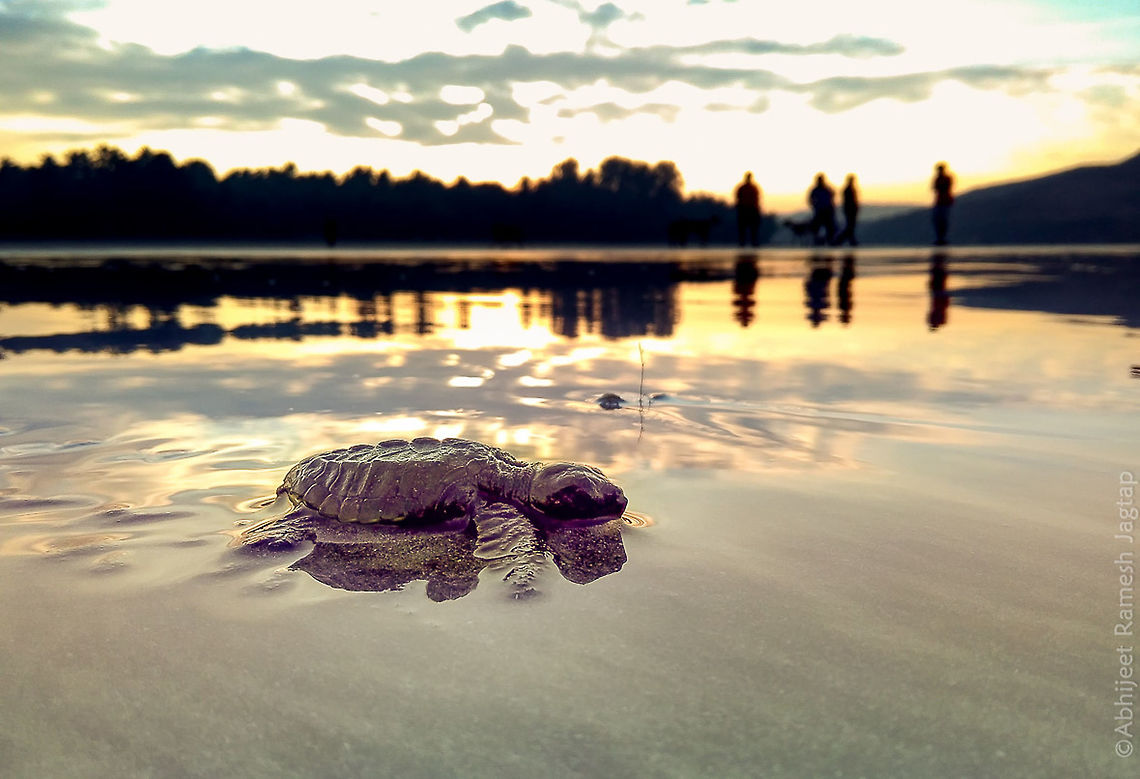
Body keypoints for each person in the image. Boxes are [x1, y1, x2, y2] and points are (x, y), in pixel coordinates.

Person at [808, 174, 836, 246]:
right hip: (820, 211)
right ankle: (818, 240)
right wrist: (815, 206)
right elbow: (810, 199)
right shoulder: (815, 190)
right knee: (817, 227)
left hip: (827, 211)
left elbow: (832, 197)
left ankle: (829, 240)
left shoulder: (827, 189)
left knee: (829, 227)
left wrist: (831, 207)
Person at [734, 172, 762, 247]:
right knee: (744, 229)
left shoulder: (752, 188)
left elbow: (756, 199)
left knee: (752, 229)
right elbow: (738, 198)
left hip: (749, 210)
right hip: (745, 210)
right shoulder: (744, 188)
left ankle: (752, 243)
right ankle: (744, 243)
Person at [932, 163, 954, 245]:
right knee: (937, 220)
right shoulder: (937, 179)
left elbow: (942, 188)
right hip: (939, 202)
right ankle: (939, 238)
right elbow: (935, 188)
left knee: (943, 220)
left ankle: (942, 238)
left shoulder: (946, 178)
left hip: (945, 201)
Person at [836, 174, 859, 246]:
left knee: (850, 226)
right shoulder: (848, 189)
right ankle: (839, 240)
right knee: (850, 226)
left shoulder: (851, 189)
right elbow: (848, 201)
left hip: (851, 209)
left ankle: (849, 240)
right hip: (849, 210)